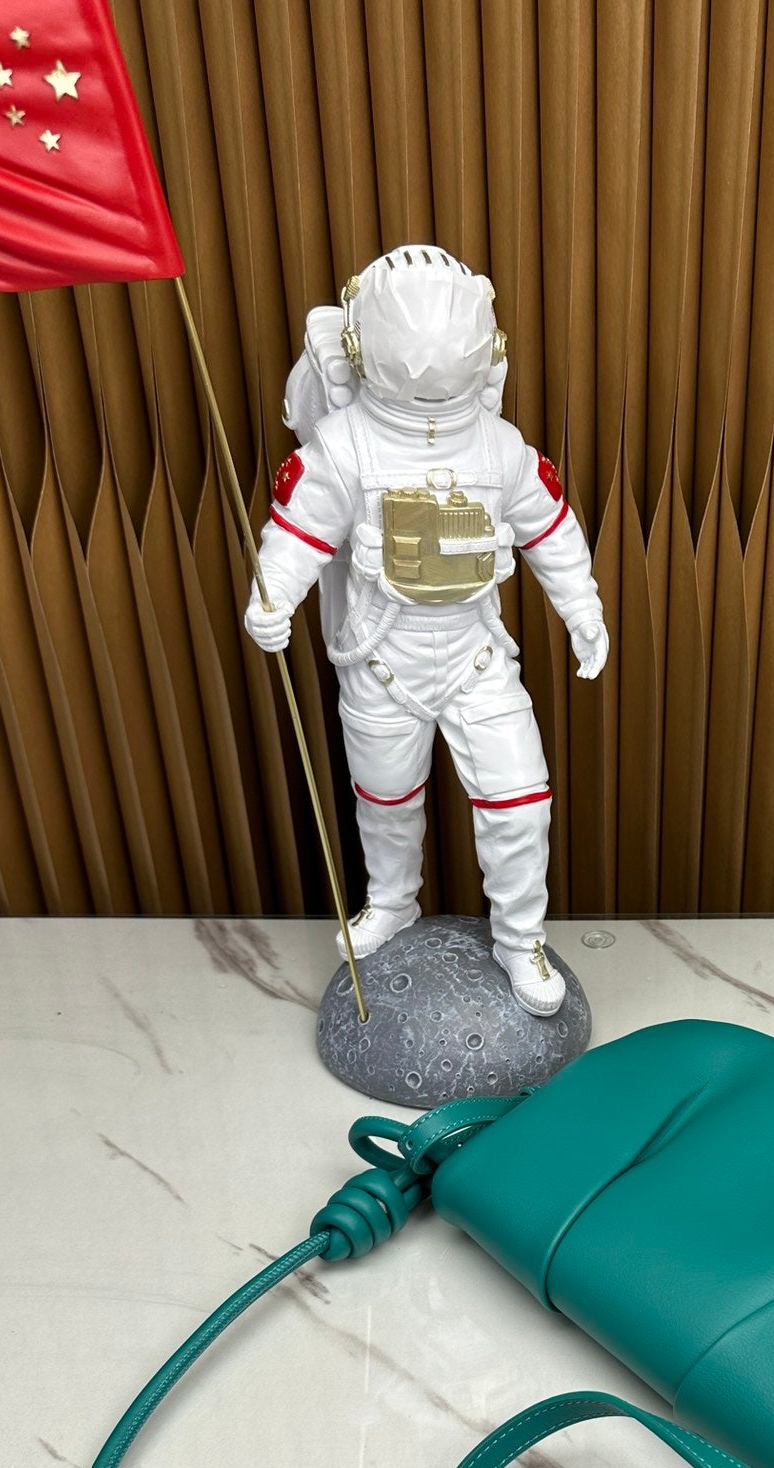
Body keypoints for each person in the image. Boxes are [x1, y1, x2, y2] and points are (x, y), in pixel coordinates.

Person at [244, 245, 608, 1017]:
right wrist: (273, 598)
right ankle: (392, 903)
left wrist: (582, 606)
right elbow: (299, 536)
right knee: (385, 801)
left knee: (520, 805)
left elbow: (549, 528)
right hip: (380, 658)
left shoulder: (498, 445)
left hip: (477, 658)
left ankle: (521, 941)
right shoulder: (343, 447)